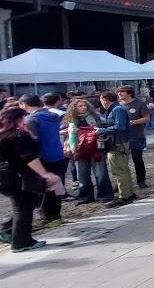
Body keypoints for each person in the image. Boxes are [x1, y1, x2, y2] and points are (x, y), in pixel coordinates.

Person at [0, 106, 65, 251]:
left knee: (24, 205)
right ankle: (21, 242)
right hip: (17, 176)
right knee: (23, 207)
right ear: (18, 119)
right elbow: (30, 158)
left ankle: (9, 232)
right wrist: (45, 174)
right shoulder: (18, 136)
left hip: (4, 177)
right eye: (24, 117)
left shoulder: (4, 136)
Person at [62, 97, 113, 203]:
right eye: (80, 106)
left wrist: (80, 130)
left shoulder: (94, 117)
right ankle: (86, 196)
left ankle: (104, 195)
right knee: (82, 174)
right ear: (74, 108)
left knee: (100, 173)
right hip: (79, 149)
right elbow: (66, 134)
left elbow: (99, 129)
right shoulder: (71, 119)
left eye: (85, 105)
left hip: (95, 147)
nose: (83, 107)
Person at [23, 94, 68, 212]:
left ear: (24, 104)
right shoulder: (53, 116)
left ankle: (47, 214)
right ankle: (55, 214)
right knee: (57, 184)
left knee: (45, 187)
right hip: (57, 154)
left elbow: (32, 141)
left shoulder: (31, 120)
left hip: (42, 157)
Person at [97, 90, 137, 208]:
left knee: (119, 170)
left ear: (105, 99)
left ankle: (124, 195)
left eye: (101, 100)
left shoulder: (117, 109)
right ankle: (128, 193)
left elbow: (120, 126)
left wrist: (102, 130)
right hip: (119, 142)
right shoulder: (116, 109)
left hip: (118, 143)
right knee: (124, 170)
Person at [117, 86, 150, 189]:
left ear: (129, 93)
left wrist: (134, 122)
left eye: (122, 92)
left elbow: (146, 118)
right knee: (122, 161)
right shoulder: (118, 105)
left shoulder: (139, 104)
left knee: (137, 159)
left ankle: (141, 180)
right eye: (119, 92)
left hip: (136, 136)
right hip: (122, 137)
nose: (120, 94)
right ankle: (122, 182)